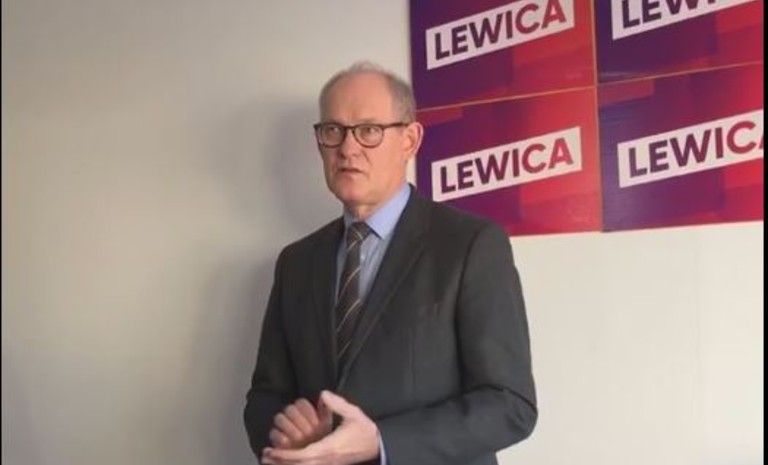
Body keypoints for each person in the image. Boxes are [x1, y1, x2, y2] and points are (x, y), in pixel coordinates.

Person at [244, 61, 537, 465]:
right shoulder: (296, 262)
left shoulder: (471, 245)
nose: (348, 148)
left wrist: (382, 442)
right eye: (333, 130)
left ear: (410, 140)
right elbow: (265, 397)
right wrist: (287, 433)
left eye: (369, 130)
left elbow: (510, 404)